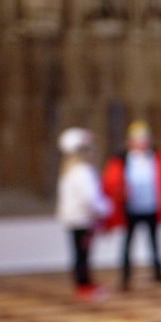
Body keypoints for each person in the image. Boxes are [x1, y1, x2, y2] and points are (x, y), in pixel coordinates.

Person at [101, 120, 161, 290]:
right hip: (131, 208)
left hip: (151, 206)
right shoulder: (122, 159)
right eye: (138, 139)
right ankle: (126, 275)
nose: (142, 143)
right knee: (128, 243)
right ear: (130, 142)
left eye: (144, 139)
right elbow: (111, 182)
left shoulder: (157, 157)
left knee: (155, 242)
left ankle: (158, 272)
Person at [55, 127, 110, 301]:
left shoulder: (70, 172)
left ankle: (84, 283)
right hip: (83, 220)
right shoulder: (82, 172)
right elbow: (90, 199)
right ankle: (84, 285)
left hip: (75, 220)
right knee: (83, 254)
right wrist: (106, 209)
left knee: (80, 254)